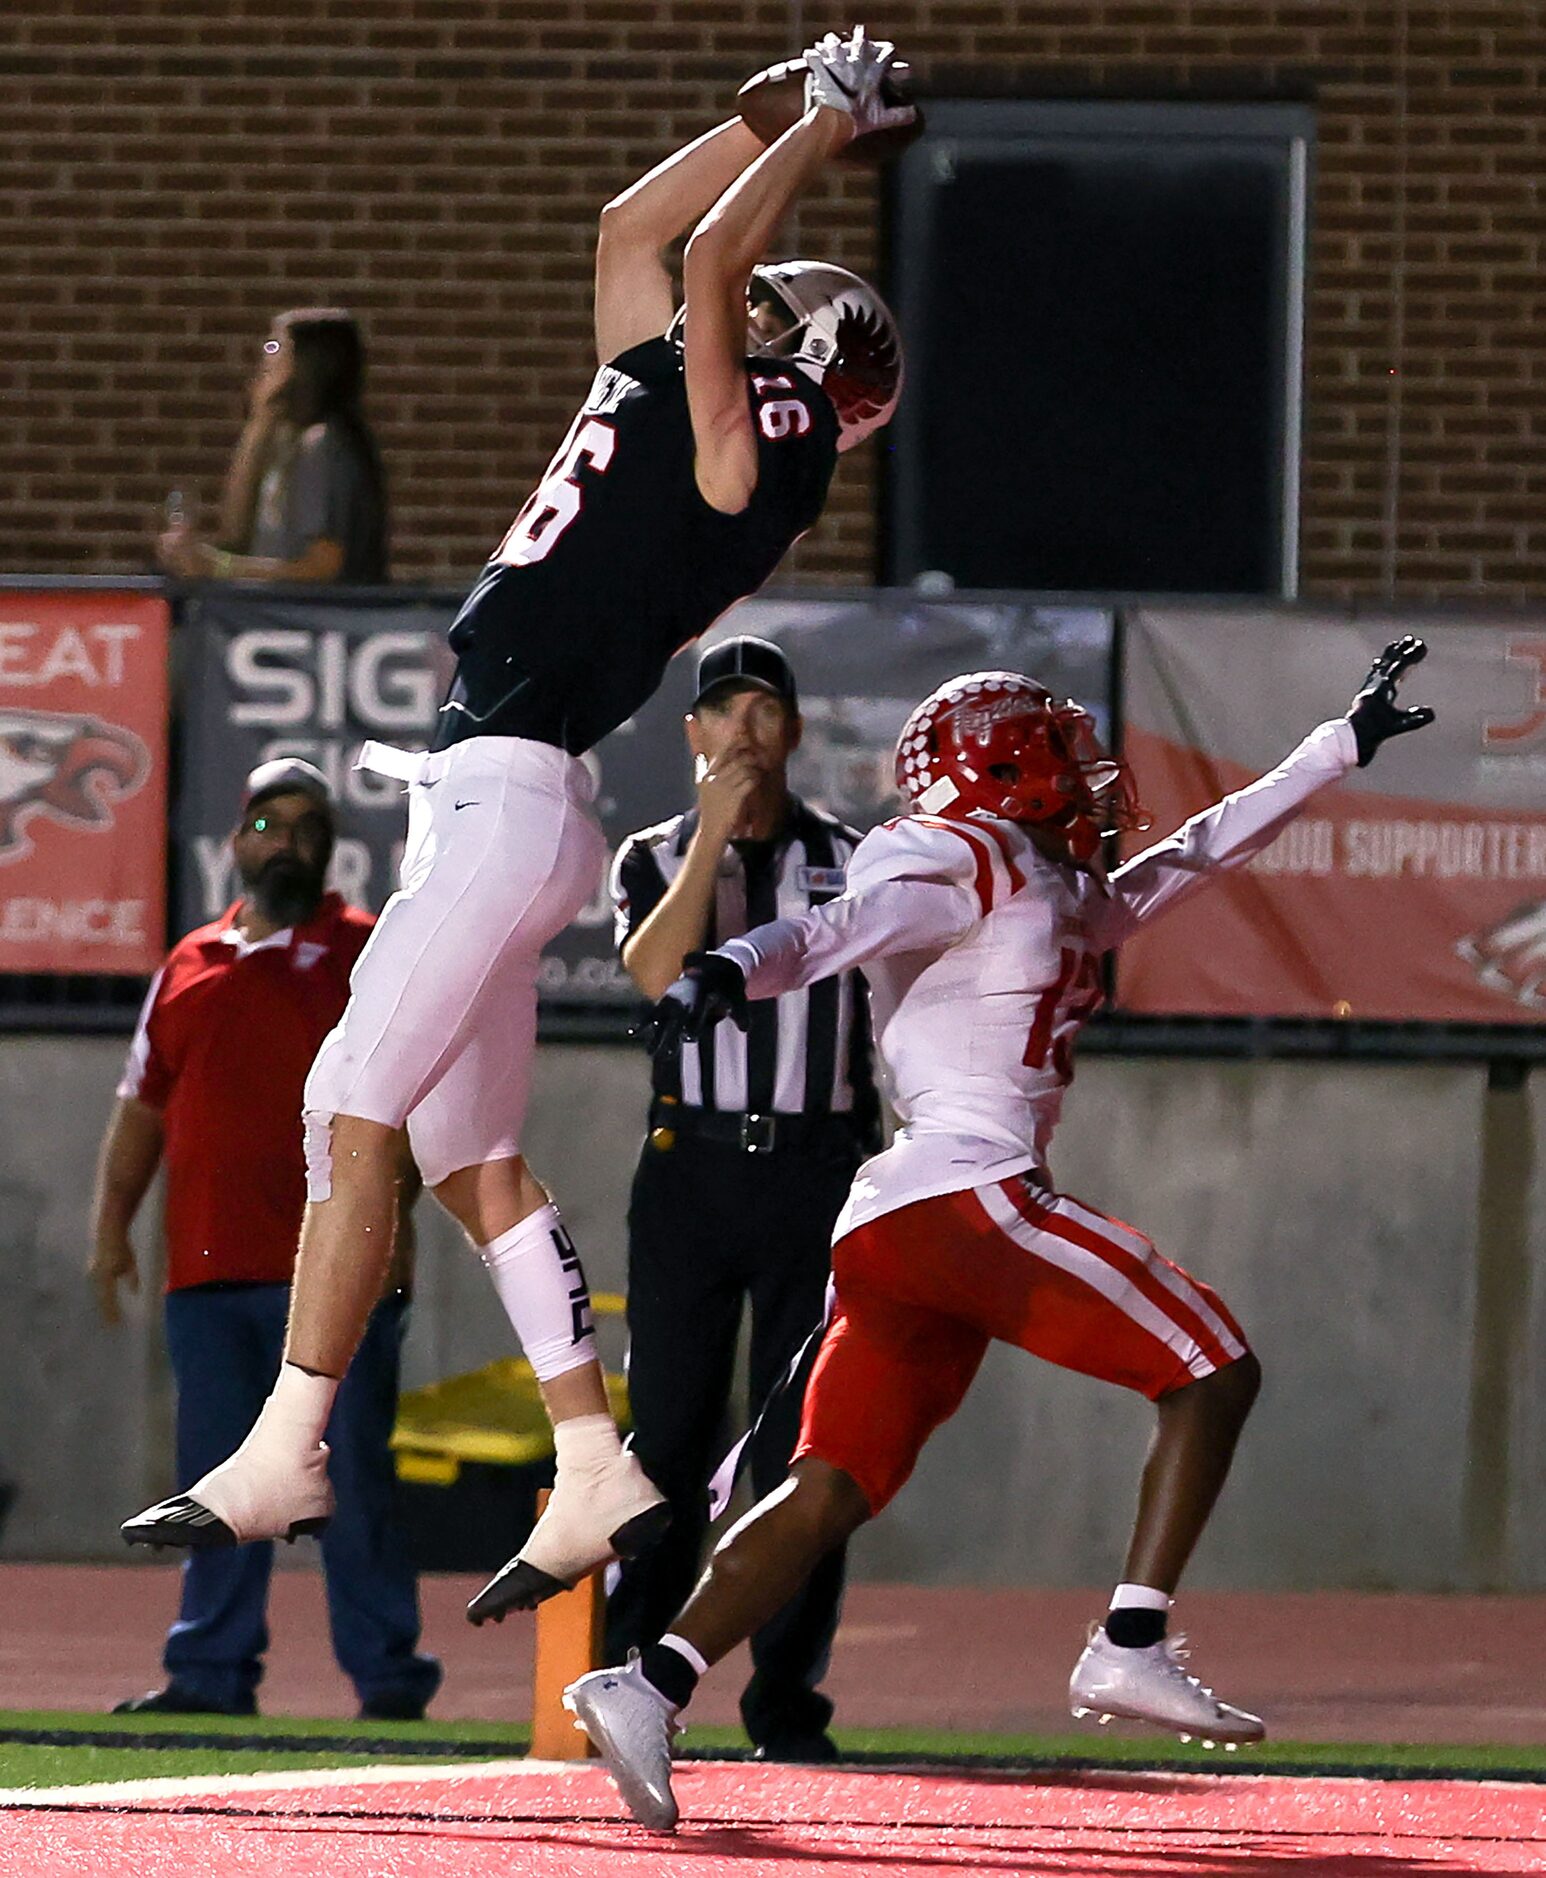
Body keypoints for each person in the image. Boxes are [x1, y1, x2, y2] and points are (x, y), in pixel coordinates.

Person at [121, 30, 914, 1632]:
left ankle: (285, 1445)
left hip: (504, 795)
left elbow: (708, 263)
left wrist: (811, 143)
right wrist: (761, 113)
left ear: (804, 364)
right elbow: (644, 234)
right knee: (467, 1156)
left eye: (773, 322)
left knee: (351, 1092)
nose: (746, 316)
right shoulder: (689, 385)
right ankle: (594, 1459)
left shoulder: (753, 457)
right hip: (491, 793)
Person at [563, 640, 1437, 1831]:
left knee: (827, 1487)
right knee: (1213, 1368)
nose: (1084, 780)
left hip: (903, 1222)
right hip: (964, 1194)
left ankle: (649, 1683)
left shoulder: (1047, 878)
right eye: (1057, 758)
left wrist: (1336, 747)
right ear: (1002, 771)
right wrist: (730, 966)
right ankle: (1129, 1638)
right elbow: (838, 927)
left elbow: (1196, 852)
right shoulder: (958, 854)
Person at [91, 759, 439, 1720]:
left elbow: (407, 1096)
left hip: (331, 1276)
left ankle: (387, 1682)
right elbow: (140, 1107)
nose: (286, 840)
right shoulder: (187, 961)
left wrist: (396, 1221)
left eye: (306, 825)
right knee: (213, 1483)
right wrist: (110, 1229)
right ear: (237, 839)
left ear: (329, 847)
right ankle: (209, 1674)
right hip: (203, 1274)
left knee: (354, 1477)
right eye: (268, 823)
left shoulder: (367, 950)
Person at [606, 634, 878, 1762]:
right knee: (665, 1439)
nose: (746, 732)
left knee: (805, 1448)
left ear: (796, 733)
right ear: (692, 735)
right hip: (691, 1168)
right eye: (725, 712)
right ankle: (624, 1677)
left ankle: (784, 1702)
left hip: (819, 1170)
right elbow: (656, 970)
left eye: (767, 711)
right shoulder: (654, 853)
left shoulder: (860, 858)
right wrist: (712, 840)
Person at [155, 308, 388, 583]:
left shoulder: (322, 444)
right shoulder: (287, 439)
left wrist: (221, 567)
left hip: (305, 619)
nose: (266, 356)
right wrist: (259, 420)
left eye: (275, 346)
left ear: (310, 361)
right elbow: (235, 532)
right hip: (271, 615)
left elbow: (323, 566)